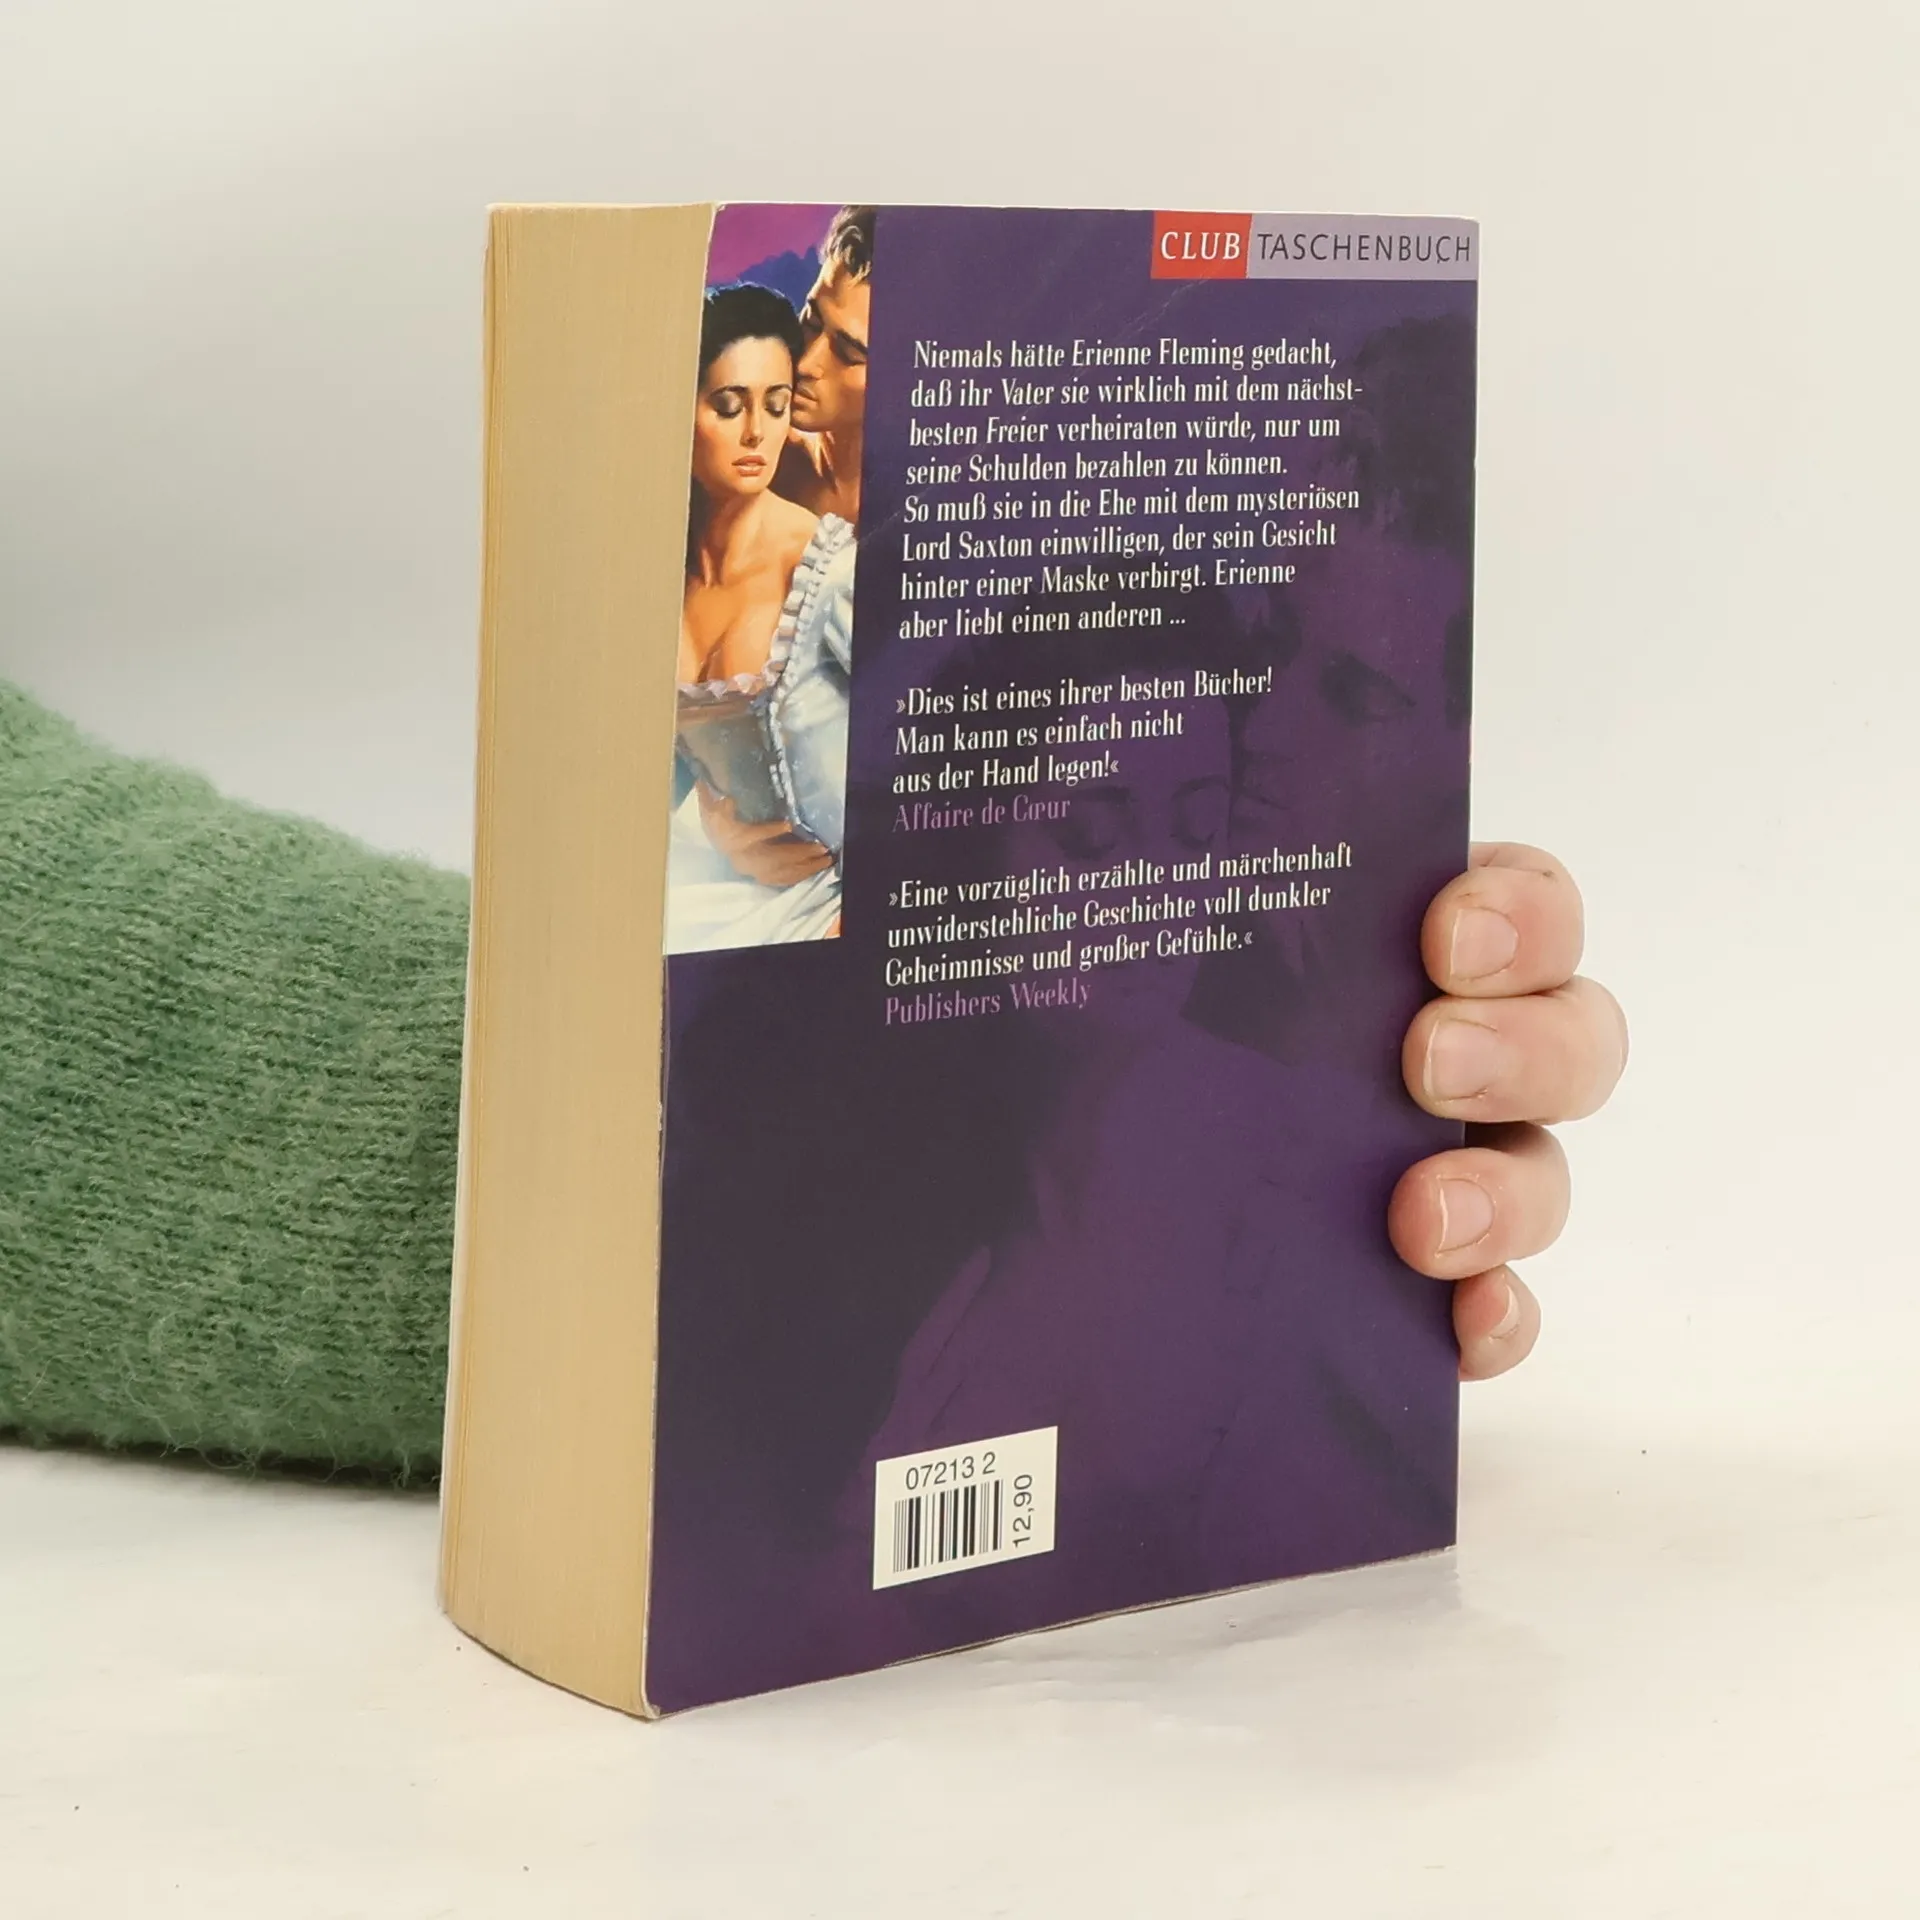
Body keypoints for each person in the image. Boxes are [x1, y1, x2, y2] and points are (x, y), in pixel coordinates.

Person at [666, 285, 855, 949]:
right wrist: (712, 829)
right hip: (706, 874)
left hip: (830, 899)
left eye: (776, 406)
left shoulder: (828, 569)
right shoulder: (648, 570)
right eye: (728, 405)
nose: (756, 432)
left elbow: (928, 754)